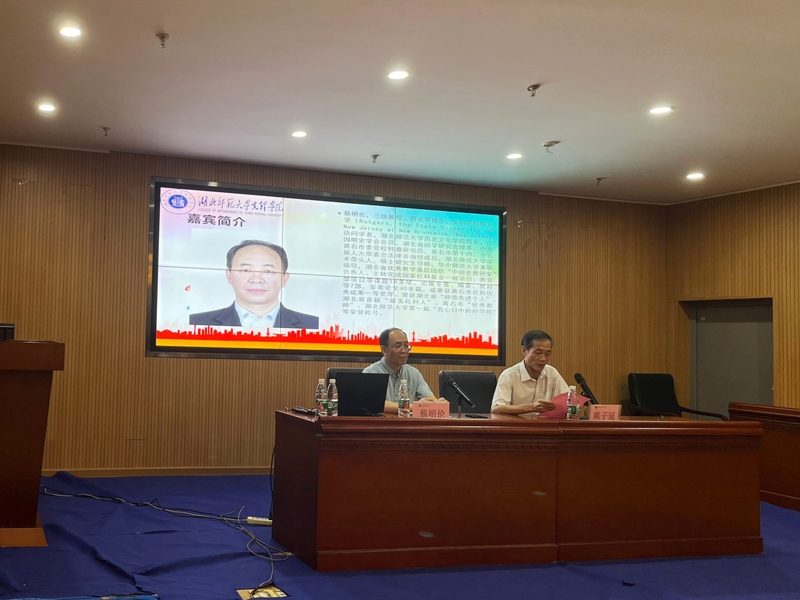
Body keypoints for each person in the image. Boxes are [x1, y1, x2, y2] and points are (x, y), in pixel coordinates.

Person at [189, 240, 319, 330]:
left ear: (284, 279)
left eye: (268, 271)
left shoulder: (314, 325)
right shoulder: (196, 323)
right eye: (246, 270)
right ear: (229, 275)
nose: (256, 279)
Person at [363, 327, 446, 413]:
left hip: (406, 421)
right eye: (398, 346)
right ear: (384, 350)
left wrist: (438, 403)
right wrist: (411, 406)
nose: (404, 350)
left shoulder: (413, 373)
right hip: (380, 421)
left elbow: (430, 400)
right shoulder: (370, 373)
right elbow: (373, 404)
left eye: (406, 346)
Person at [491, 330, 568, 415]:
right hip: (517, 423)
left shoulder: (552, 373)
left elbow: (568, 402)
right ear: (524, 351)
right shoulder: (509, 375)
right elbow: (496, 408)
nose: (543, 358)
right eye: (538, 353)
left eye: (547, 354)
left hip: (544, 423)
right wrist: (532, 408)